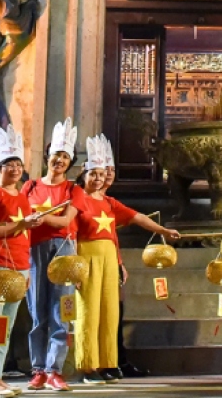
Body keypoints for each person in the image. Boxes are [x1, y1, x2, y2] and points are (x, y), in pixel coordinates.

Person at [71, 135, 178, 384]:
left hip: (109, 260)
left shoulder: (109, 202)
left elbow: (137, 217)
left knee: (109, 312)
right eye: (93, 174)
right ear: (83, 175)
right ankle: (88, 366)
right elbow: (69, 234)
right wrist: (74, 268)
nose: (98, 179)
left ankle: (108, 363)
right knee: (88, 312)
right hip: (87, 258)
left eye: (102, 173)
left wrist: (161, 231)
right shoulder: (77, 199)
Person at [0, 125, 37, 397]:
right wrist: (21, 224)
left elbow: (24, 234)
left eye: (18, 164)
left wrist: (28, 269)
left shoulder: (23, 196)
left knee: (7, 324)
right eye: (8, 164)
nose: (14, 169)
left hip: (20, 266)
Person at [24, 118, 80, 392]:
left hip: (63, 250)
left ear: (70, 163)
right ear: (47, 155)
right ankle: (37, 369)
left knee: (62, 310)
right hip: (34, 250)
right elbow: (20, 218)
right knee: (37, 310)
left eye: (66, 157)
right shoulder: (30, 187)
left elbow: (65, 222)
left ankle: (54, 370)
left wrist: (41, 219)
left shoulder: (73, 190)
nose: (60, 160)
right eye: (57, 154)